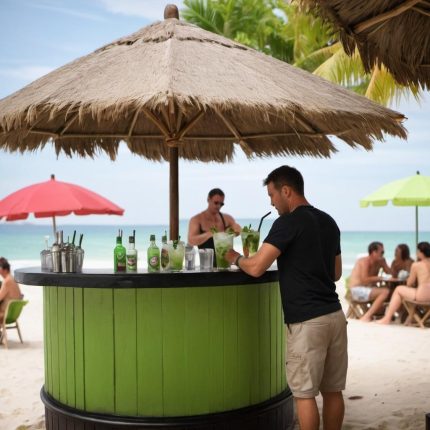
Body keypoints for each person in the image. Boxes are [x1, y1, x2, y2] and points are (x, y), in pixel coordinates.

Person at [225, 165, 346, 430]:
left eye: (272, 195)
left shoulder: (287, 223)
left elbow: (256, 267)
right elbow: (336, 273)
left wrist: (235, 257)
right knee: (333, 391)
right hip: (335, 317)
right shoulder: (329, 221)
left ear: (286, 191)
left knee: (304, 394)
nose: (272, 202)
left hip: (307, 321)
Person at [378, 242, 430, 325]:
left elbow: (409, 283)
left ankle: (387, 318)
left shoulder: (416, 265)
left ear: (420, 252)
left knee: (398, 289)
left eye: (417, 251)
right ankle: (409, 318)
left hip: (422, 296)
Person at [187, 188, 241, 252]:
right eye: (216, 203)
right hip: (206, 257)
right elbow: (191, 240)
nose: (218, 206)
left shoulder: (227, 218)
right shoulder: (196, 219)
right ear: (208, 199)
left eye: (221, 204)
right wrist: (210, 234)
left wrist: (234, 232)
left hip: (227, 257)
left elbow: (238, 229)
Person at [349, 242, 391, 322]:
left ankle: (383, 314)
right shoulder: (364, 261)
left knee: (389, 289)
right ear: (374, 252)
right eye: (382, 252)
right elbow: (364, 279)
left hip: (368, 289)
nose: (383, 254)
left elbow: (390, 272)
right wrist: (379, 278)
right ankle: (366, 316)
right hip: (356, 290)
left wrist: (387, 264)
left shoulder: (380, 261)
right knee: (385, 292)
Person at [0, 257, 23, 324]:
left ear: (4, 269)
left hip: (6, 314)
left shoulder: (7, 281)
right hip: (12, 314)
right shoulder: (12, 278)